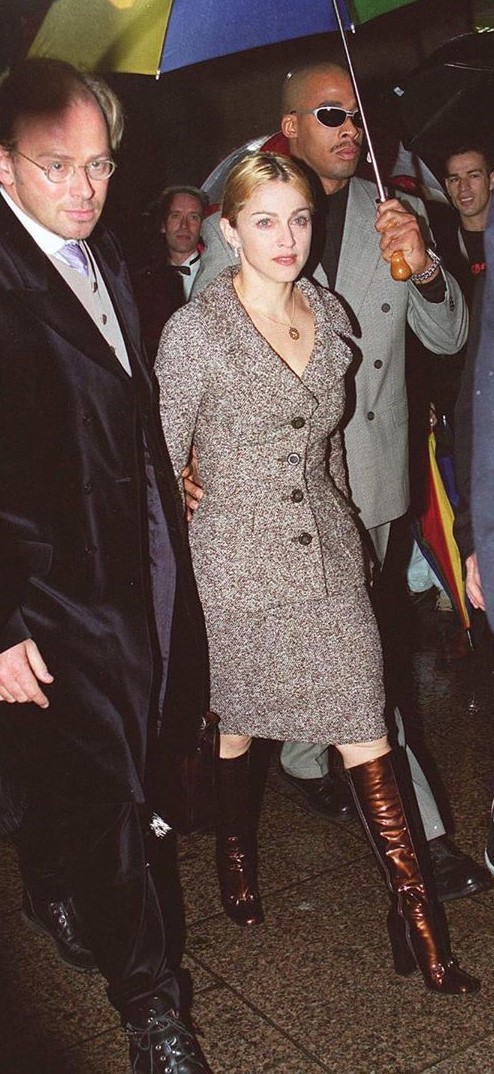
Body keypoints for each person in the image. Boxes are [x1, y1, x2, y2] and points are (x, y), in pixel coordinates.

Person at [155, 150, 478, 995]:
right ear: (230, 232)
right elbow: (155, 455)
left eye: (299, 218)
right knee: (237, 724)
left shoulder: (328, 311)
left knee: (364, 718)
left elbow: (325, 443)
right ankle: (235, 855)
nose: (287, 237)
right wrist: (180, 486)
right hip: (233, 562)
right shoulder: (196, 332)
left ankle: (418, 921)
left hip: (329, 554)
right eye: (265, 221)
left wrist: (348, 535)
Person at [0, 58, 212, 1074]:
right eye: (57, 166)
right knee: (112, 794)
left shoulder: (108, 255)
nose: (84, 188)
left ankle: (47, 881)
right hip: (42, 590)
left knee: (82, 775)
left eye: (100, 164)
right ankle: (153, 1015)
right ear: (3, 164)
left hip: (130, 564)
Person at [133, 185, 209, 361]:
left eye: (193, 217)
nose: (184, 225)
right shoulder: (141, 284)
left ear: (202, 226)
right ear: (163, 225)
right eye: (176, 216)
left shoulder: (220, 276)